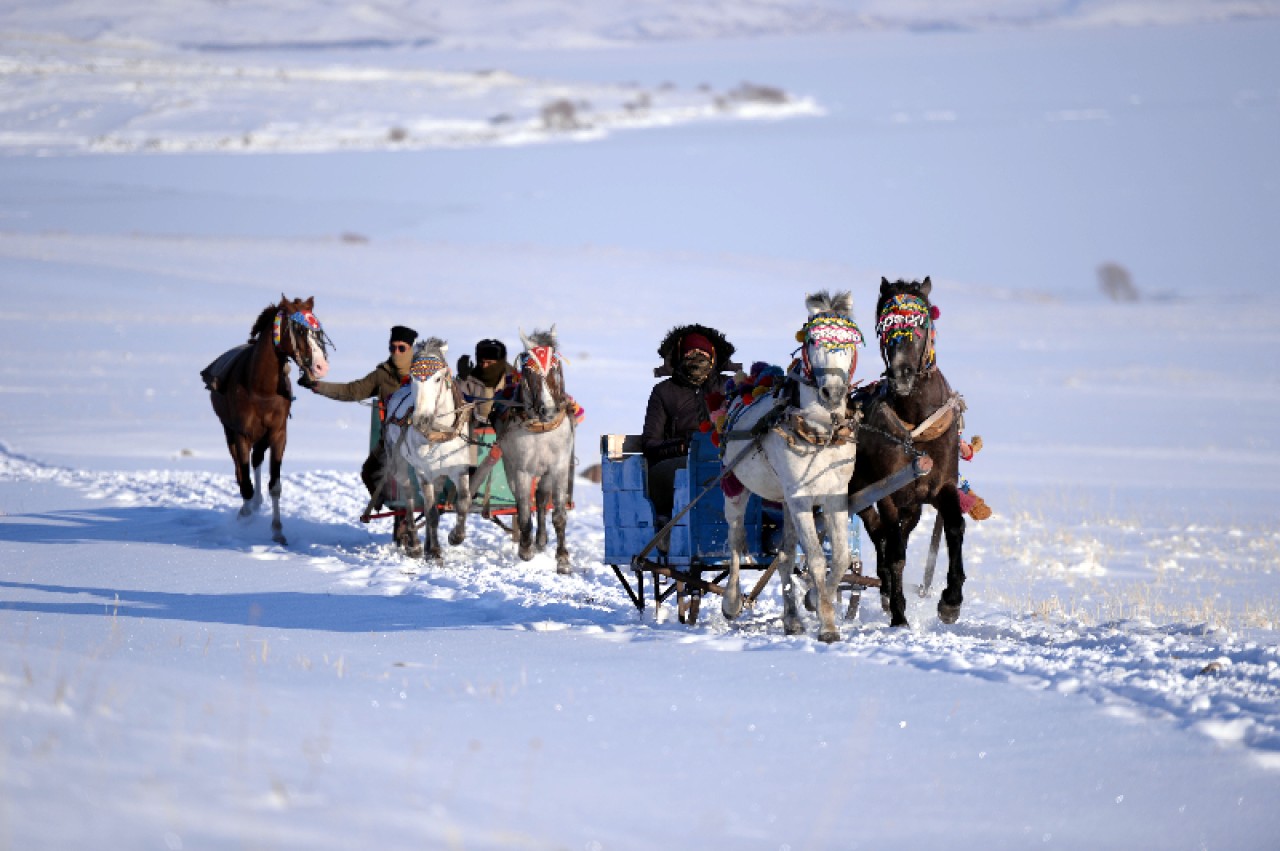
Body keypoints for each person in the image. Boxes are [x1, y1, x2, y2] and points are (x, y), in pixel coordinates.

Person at [298, 325, 417, 523]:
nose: (396, 353)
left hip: (423, 439)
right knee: (369, 471)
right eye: (392, 348)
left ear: (411, 349)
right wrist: (318, 386)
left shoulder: (424, 374)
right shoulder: (382, 374)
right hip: (392, 441)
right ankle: (388, 503)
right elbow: (352, 390)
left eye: (401, 348)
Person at [641, 324, 736, 532]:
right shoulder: (664, 391)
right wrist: (681, 447)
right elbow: (649, 443)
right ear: (680, 356)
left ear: (713, 357)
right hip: (679, 460)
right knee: (679, 474)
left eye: (703, 353)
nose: (697, 358)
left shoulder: (730, 387)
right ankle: (667, 528)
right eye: (691, 353)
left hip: (725, 458)